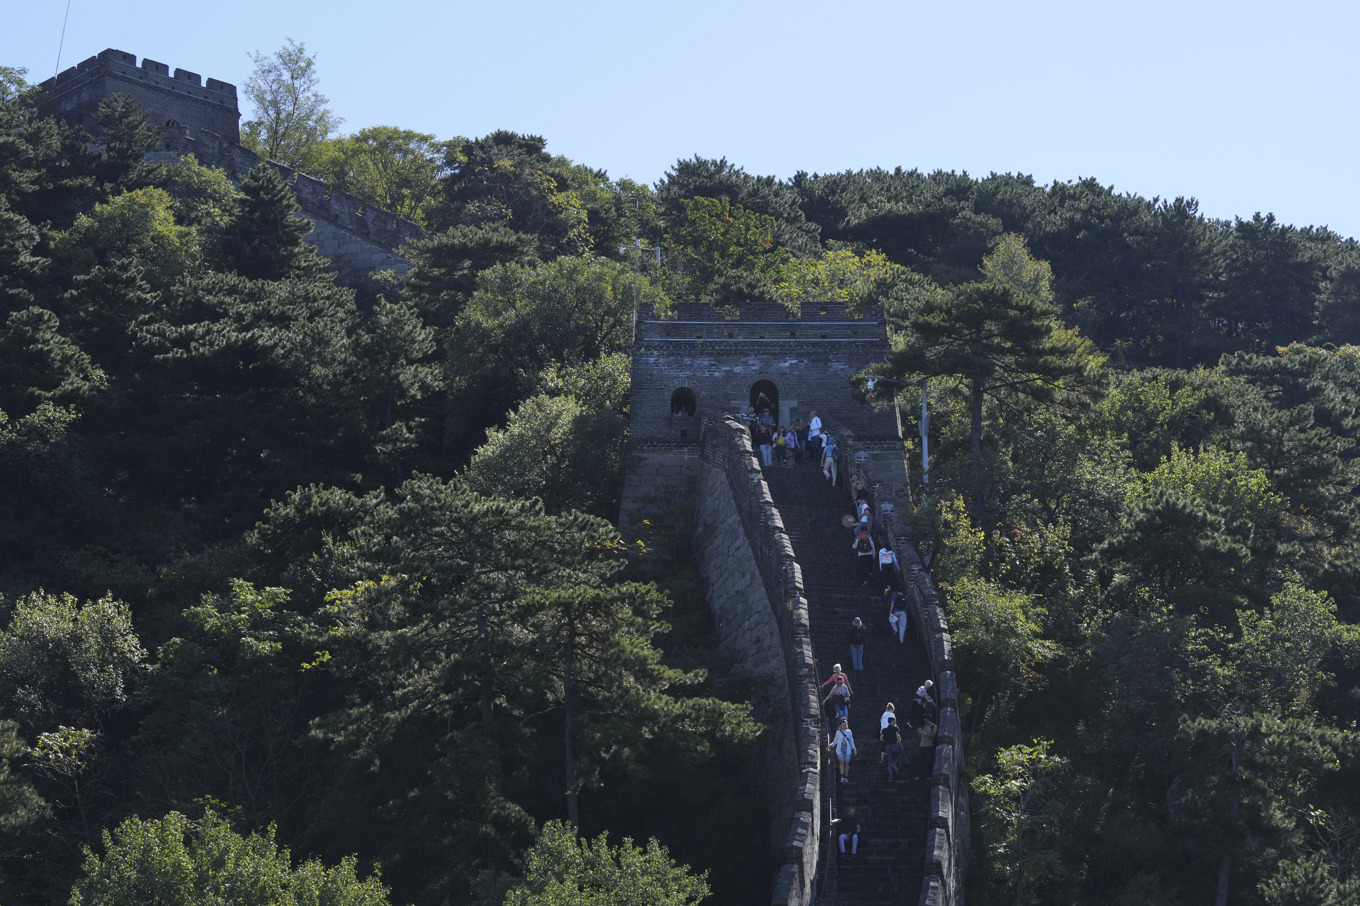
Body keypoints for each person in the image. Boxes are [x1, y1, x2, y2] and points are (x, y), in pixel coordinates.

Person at [828, 717, 856, 783]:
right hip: (840, 749)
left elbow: (851, 741)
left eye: (845, 724)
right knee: (842, 762)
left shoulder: (849, 732)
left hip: (847, 749)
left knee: (846, 763)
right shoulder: (838, 732)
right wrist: (830, 745)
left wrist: (854, 749)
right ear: (841, 725)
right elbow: (835, 741)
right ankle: (842, 776)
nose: (844, 726)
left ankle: (846, 777)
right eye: (843, 725)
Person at [881, 716, 906, 782]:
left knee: (890, 761)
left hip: (887, 746)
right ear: (892, 721)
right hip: (894, 745)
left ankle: (890, 777)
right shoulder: (895, 728)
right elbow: (897, 736)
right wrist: (900, 744)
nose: (895, 722)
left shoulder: (884, 729)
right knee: (900, 755)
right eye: (894, 721)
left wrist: (886, 741)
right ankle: (895, 763)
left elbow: (881, 738)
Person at [916, 715, 937, 781]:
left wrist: (924, 734)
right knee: (921, 762)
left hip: (929, 746)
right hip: (922, 745)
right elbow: (920, 736)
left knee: (928, 762)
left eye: (926, 720)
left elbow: (933, 735)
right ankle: (920, 775)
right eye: (924, 720)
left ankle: (928, 775)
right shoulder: (924, 726)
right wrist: (919, 732)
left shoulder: (934, 726)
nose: (925, 722)